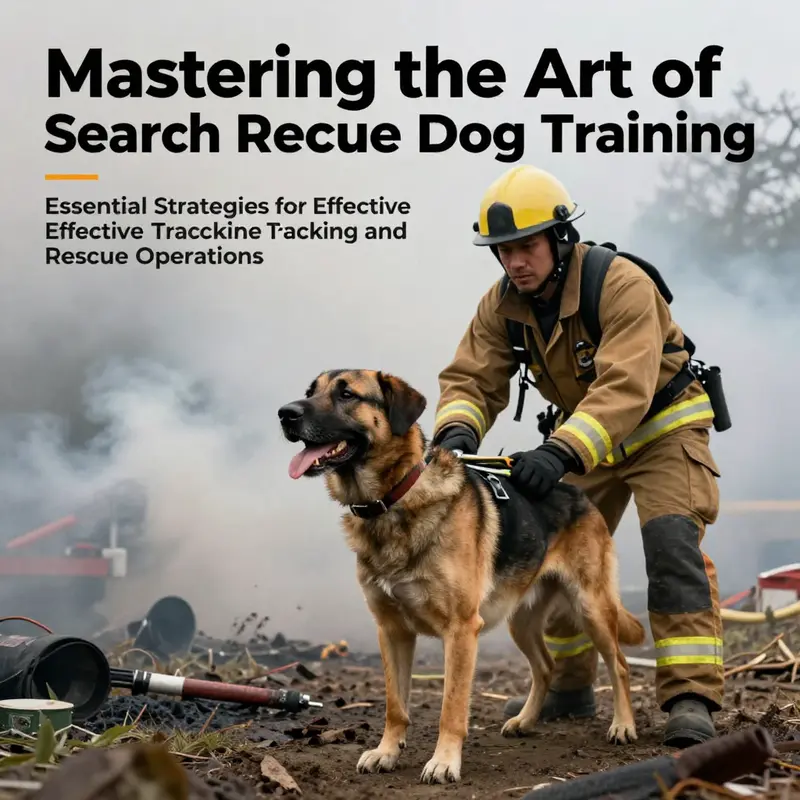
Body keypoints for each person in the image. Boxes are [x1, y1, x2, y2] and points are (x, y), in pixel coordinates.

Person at [430, 164, 725, 748]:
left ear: (561, 237)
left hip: (662, 429)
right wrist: (457, 435)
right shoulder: (503, 306)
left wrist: (559, 451)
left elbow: (625, 385)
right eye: (504, 251)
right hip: (587, 444)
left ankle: (690, 698)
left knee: (671, 548)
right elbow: (470, 379)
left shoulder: (622, 284)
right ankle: (567, 687)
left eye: (527, 246)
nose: (515, 261)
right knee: (551, 549)